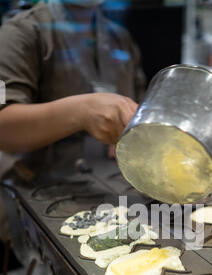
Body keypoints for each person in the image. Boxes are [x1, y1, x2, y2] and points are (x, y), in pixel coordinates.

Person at [0, 0, 145, 243]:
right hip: (33, 200)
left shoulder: (120, 38)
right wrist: (81, 112)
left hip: (107, 196)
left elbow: (140, 111)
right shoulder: (18, 34)